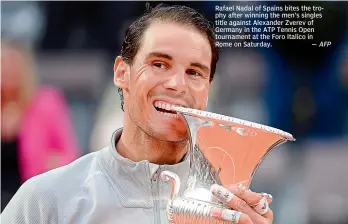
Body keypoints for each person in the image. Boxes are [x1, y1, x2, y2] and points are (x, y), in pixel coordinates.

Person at [1, 4, 274, 223]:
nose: (177, 84)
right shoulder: (46, 199)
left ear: (208, 89)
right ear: (122, 73)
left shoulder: (231, 208)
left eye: (194, 72)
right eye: (159, 64)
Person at [1, 38, 80, 212]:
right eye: (4, 65)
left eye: (14, 65)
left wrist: (55, 163)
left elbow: (70, 155)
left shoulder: (46, 102)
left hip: (30, 199)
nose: (8, 71)